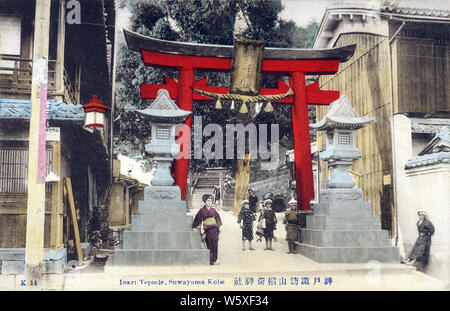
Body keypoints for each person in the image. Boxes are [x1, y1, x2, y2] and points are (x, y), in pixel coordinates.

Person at [192, 194, 222, 265]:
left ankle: (214, 259)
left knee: (215, 244)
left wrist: (219, 228)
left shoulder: (213, 210)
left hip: (214, 229)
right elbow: (197, 220)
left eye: (210, 201)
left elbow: (218, 219)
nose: (209, 202)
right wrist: (198, 228)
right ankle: (210, 260)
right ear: (205, 202)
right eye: (208, 201)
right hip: (207, 230)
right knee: (209, 244)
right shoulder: (202, 210)